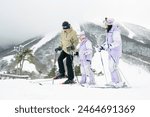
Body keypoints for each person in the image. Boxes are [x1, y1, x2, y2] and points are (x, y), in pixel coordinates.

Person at [99, 18, 125, 87]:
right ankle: (116, 81)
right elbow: (108, 42)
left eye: (105, 23)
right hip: (111, 52)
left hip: (115, 52)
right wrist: (102, 46)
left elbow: (117, 42)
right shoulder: (109, 31)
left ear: (109, 24)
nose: (104, 25)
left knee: (112, 67)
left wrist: (109, 46)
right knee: (111, 67)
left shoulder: (115, 31)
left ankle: (117, 82)